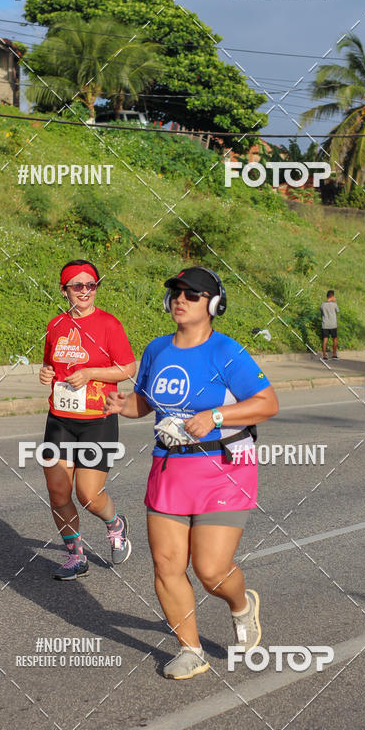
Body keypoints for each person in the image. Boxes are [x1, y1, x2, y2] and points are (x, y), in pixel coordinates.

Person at [105, 266, 279, 679]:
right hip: (169, 468)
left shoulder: (227, 352)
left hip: (223, 469)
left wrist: (217, 415)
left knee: (211, 570)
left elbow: (267, 403)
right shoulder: (157, 350)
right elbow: (144, 403)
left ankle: (241, 605)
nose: (181, 299)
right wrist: (120, 405)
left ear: (213, 304)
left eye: (193, 294)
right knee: (166, 565)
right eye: (176, 292)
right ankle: (190, 649)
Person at [40, 258, 136, 580]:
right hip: (60, 419)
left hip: (98, 418)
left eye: (90, 285)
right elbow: (51, 365)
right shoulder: (56, 325)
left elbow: (127, 368)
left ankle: (115, 523)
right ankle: (75, 556)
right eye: (77, 285)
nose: (84, 291)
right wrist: (46, 372)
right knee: (57, 492)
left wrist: (91, 373)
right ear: (64, 290)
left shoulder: (109, 325)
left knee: (89, 496)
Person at [320, 290, 339, 359]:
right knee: (335, 339)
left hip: (325, 324)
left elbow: (321, 313)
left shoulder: (322, 304)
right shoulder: (334, 304)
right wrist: (334, 302)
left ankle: (324, 355)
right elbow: (337, 311)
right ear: (332, 296)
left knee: (325, 339)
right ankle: (334, 354)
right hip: (333, 324)